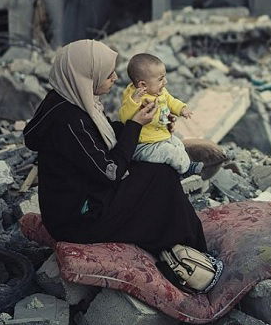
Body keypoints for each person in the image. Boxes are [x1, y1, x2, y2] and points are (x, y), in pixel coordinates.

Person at [23, 39, 208, 257]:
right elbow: (110, 172)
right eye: (109, 74)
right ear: (87, 77)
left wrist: (146, 127)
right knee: (160, 177)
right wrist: (135, 126)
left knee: (159, 172)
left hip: (86, 193)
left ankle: (185, 242)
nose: (116, 78)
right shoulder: (69, 121)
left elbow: (101, 136)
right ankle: (187, 249)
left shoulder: (70, 98)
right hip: (79, 218)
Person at [118, 53, 203, 177]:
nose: (165, 82)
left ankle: (182, 166)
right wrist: (134, 102)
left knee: (178, 144)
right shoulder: (133, 97)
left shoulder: (160, 91)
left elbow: (171, 100)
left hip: (162, 136)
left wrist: (181, 108)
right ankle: (185, 169)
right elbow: (124, 117)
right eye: (160, 79)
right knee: (169, 152)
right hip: (144, 145)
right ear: (143, 85)